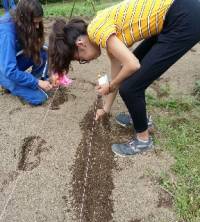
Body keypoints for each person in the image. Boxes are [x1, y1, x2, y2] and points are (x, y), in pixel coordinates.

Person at [48, 0, 200, 156]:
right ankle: (140, 120)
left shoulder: (97, 31)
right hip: (174, 15)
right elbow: (118, 72)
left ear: (80, 44)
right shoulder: (101, 31)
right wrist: (105, 109)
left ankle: (143, 140)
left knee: (130, 88)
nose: (85, 61)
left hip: (184, 17)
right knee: (127, 79)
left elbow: (132, 65)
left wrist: (112, 85)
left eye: (80, 59)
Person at [0, 0, 52, 105]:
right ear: (25, 21)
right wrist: (36, 82)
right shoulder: (7, 33)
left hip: (9, 61)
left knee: (43, 50)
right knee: (40, 98)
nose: (37, 27)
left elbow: (43, 46)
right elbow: (10, 70)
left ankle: (36, 82)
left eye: (39, 22)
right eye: (35, 23)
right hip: (4, 69)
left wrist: (55, 72)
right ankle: (6, 84)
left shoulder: (20, 14)